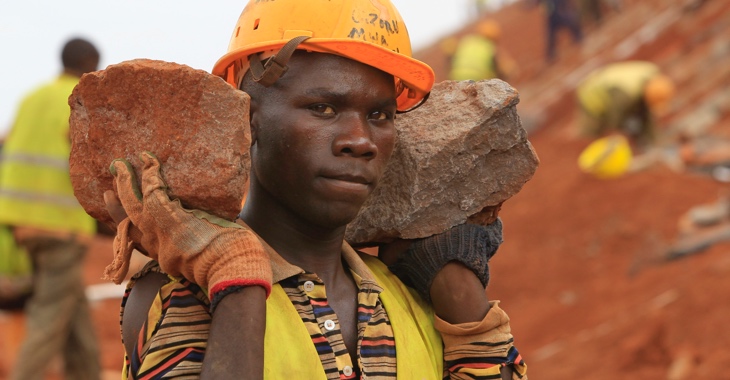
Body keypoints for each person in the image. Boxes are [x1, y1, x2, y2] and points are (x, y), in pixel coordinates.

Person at [104, 0, 528, 378]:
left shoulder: (410, 295)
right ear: (245, 118)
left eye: (380, 114)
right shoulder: (180, 295)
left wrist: (455, 286)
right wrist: (236, 277)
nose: (360, 140)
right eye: (323, 108)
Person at [0, 37, 101, 380]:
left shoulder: (31, 98)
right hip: (60, 227)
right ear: (90, 62)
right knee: (48, 321)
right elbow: (89, 161)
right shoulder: (76, 99)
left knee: (77, 323)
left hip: (21, 225)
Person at [576, 60, 676, 149]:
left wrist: (654, 142)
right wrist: (617, 134)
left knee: (638, 116)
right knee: (591, 135)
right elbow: (614, 120)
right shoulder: (625, 96)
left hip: (614, 89)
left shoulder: (652, 75)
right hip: (592, 93)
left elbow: (646, 115)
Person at [449, 19, 515, 82]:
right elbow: (504, 69)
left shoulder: (466, 40)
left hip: (456, 78)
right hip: (477, 79)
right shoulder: (489, 46)